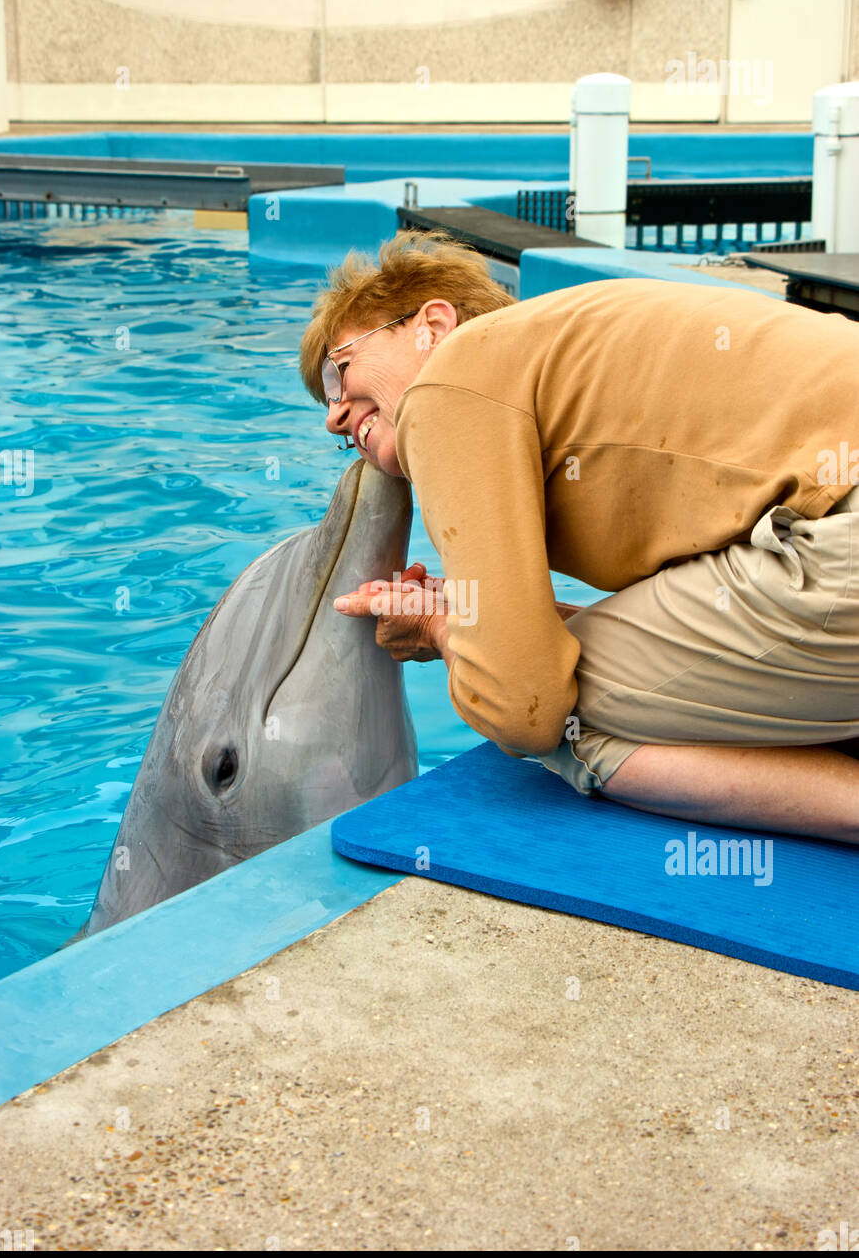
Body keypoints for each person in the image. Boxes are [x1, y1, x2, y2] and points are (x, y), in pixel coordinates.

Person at [298, 229, 859, 844]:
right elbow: (693, 622)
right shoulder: (563, 355)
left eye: (338, 371)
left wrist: (441, 631)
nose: (333, 415)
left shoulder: (448, 381)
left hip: (837, 545)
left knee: (563, 722)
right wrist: (477, 619)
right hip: (831, 530)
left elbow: (524, 705)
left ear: (432, 325)